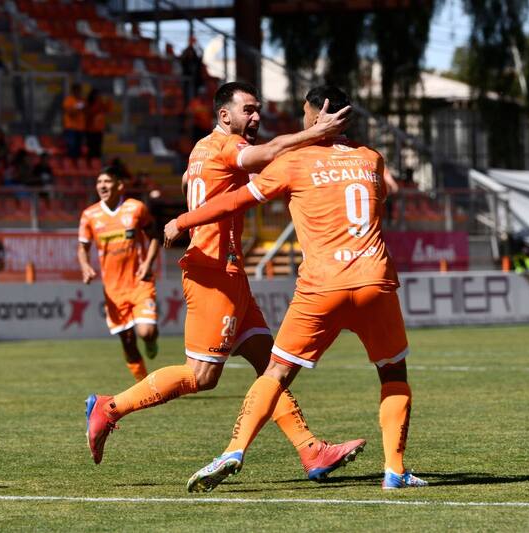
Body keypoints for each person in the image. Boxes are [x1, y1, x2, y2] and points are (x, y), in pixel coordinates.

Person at [82, 82, 365, 484]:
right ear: (224, 116)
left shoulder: (202, 148)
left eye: (258, 110)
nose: (256, 117)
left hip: (228, 273)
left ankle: (311, 451)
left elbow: (187, 181)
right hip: (214, 274)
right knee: (201, 376)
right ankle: (108, 408)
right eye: (248, 110)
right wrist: (315, 135)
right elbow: (266, 153)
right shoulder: (227, 147)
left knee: (270, 368)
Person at [164, 85, 428, 492]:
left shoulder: (294, 162)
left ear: (316, 114)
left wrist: (184, 220)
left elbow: (234, 201)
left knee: (276, 372)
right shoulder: (371, 159)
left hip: (321, 287)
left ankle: (234, 449)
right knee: (393, 371)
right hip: (375, 280)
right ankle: (395, 469)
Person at [78, 168, 160, 382]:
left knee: (146, 332)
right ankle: (144, 384)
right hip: (113, 290)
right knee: (128, 341)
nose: (102, 186)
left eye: (107, 181)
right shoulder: (89, 215)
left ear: (120, 186)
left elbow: (154, 236)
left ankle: (151, 342)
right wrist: (85, 266)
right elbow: (82, 247)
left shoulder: (136, 208)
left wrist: (148, 264)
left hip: (140, 282)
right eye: (99, 182)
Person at [84, 88, 111, 161]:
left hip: (98, 130)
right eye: (97, 95)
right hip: (90, 130)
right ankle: (91, 163)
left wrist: (108, 101)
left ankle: (96, 163)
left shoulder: (100, 102)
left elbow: (107, 109)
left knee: (98, 147)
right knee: (91, 147)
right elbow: (90, 112)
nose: (98, 96)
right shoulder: (89, 103)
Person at [62, 82, 86, 158]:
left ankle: (78, 163)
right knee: (71, 146)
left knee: (79, 147)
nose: (79, 92)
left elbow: (86, 111)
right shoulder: (68, 100)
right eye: (77, 90)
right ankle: (71, 163)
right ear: (73, 91)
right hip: (71, 127)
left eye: (80, 91)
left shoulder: (82, 100)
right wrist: (77, 108)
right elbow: (69, 112)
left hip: (80, 127)